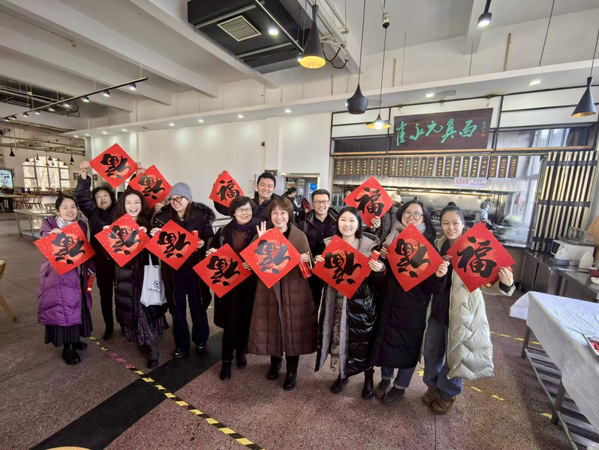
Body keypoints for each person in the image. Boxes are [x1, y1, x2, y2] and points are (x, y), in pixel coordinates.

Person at [422, 205, 514, 415]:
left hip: (463, 312)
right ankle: (432, 385)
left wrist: (505, 284)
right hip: (436, 309)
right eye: (446, 223)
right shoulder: (437, 245)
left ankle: (448, 393)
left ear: (463, 224)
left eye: (455, 223)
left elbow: (489, 286)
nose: (450, 227)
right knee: (431, 351)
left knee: (458, 354)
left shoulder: (476, 246)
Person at [371, 200, 448, 405]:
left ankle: (400, 386)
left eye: (417, 214)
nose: (411, 217)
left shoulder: (430, 244)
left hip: (415, 305)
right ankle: (385, 378)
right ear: (401, 215)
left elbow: (433, 287)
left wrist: (438, 276)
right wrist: (383, 260)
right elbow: (380, 276)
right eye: (407, 213)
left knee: (408, 346)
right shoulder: (390, 238)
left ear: (424, 219)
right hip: (390, 300)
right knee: (387, 341)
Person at [314, 207, 385, 400]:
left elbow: (379, 282)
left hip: (361, 303)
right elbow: (323, 276)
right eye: (343, 220)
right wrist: (318, 262)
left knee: (363, 342)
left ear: (359, 224)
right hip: (336, 301)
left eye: (352, 220)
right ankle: (342, 375)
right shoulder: (329, 244)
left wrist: (380, 270)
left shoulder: (371, 245)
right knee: (340, 339)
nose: (347, 224)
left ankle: (368, 378)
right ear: (337, 223)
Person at [247, 197, 317, 391]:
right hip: (269, 288)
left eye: (283, 212)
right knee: (273, 325)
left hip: (295, 288)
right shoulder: (263, 233)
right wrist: (261, 242)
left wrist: (306, 260)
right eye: (275, 213)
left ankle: (292, 370)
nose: (279, 217)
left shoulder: (299, 236)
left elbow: (309, 268)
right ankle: (275, 362)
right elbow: (252, 265)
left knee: (295, 328)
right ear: (270, 216)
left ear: (289, 215)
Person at [152, 183, 215, 359]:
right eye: (172, 199)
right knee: (177, 308)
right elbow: (158, 246)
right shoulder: (162, 218)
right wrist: (155, 235)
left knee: (198, 305)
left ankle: (201, 339)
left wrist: (203, 245)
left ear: (188, 199)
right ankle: (181, 344)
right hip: (173, 271)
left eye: (179, 198)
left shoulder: (201, 217)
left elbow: (210, 238)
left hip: (195, 270)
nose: (176, 202)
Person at [113, 188, 167, 368]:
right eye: (128, 202)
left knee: (145, 308)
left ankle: (151, 348)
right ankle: (143, 339)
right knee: (134, 309)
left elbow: (159, 250)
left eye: (137, 202)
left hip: (146, 275)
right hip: (126, 276)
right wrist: (110, 237)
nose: (133, 206)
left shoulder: (149, 222)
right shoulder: (116, 225)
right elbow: (111, 255)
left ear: (142, 204)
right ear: (123, 205)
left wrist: (150, 236)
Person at [206, 196, 258, 381]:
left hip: (250, 286)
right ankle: (226, 361)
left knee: (245, 322)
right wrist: (211, 253)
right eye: (240, 209)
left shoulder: (259, 232)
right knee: (230, 325)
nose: (244, 213)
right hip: (228, 286)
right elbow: (212, 254)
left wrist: (254, 264)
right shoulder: (222, 232)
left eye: (248, 209)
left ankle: (241, 350)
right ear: (233, 212)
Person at [38, 195, 94, 365]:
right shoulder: (50, 224)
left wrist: (90, 268)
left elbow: (85, 246)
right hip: (59, 275)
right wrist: (52, 236)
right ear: (58, 211)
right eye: (65, 207)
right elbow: (45, 239)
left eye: (73, 207)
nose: (70, 210)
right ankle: (67, 346)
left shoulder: (81, 225)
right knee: (64, 307)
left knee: (77, 306)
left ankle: (75, 339)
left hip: (79, 273)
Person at [75, 160, 117, 340]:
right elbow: (82, 197)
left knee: (123, 294)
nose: (102, 198)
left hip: (120, 260)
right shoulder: (92, 212)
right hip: (101, 261)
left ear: (111, 197)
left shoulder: (120, 210)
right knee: (105, 295)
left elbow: (133, 195)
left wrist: (137, 175)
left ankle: (125, 324)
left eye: (105, 195)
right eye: (98, 196)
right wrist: (84, 174)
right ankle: (109, 326)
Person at [298, 189, 337, 310]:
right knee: (312, 305)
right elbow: (299, 247)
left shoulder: (338, 222)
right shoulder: (303, 225)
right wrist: (311, 258)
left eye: (324, 201)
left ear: (329, 203)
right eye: (317, 202)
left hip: (333, 271)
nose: (321, 205)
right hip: (311, 272)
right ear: (312, 204)